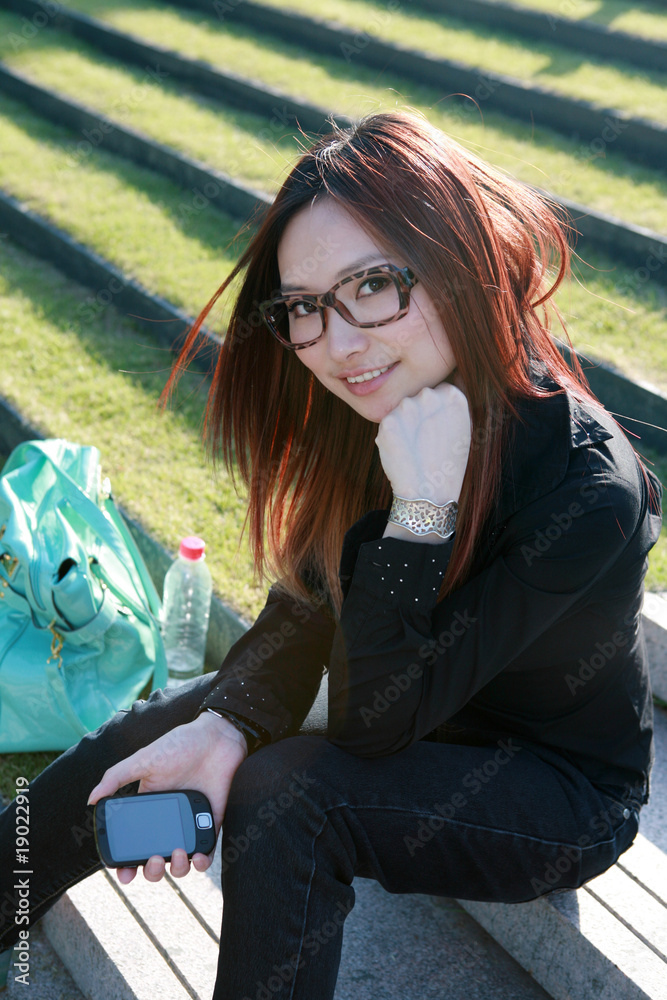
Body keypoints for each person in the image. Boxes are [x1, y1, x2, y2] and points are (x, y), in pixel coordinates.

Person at [0, 111, 662, 999]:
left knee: (291, 797)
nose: (339, 343)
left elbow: (373, 720)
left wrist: (421, 510)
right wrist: (222, 723)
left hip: (553, 791)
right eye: (306, 308)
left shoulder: (587, 493)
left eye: (375, 285)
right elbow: (312, 600)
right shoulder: (391, 397)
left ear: (461, 258)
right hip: (421, 698)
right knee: (159, 734)